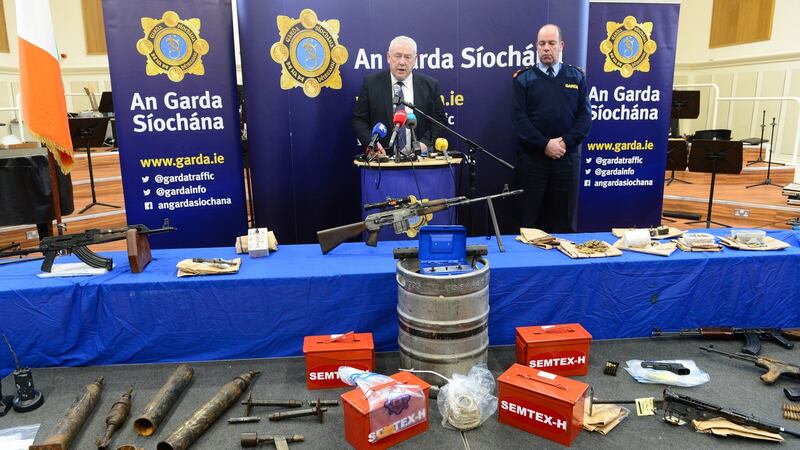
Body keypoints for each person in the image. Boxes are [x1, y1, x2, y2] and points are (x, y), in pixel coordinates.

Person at [512, 24, 591, 233]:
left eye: (551, 43)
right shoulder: (524, 79)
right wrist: (545, 144)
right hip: (533, 161)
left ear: (561, 45)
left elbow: (585, 117)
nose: (546, 48)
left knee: (563, 222)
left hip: (566, 160)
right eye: (542, 44)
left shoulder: (576, 77)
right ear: (536, 47)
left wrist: (564, 142)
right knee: (529, 221)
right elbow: (520, 121)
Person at [352, 36, 446, 157]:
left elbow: (439, 120)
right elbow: (359, 120)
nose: (402, 62)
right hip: (383, 159)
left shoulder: (430, 85)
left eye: (407, 57)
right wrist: (372, 143)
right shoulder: (371, 84)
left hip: (419, 159)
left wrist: (424, 143)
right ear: (388, 57)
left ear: (415, 60)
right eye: (397, 56)